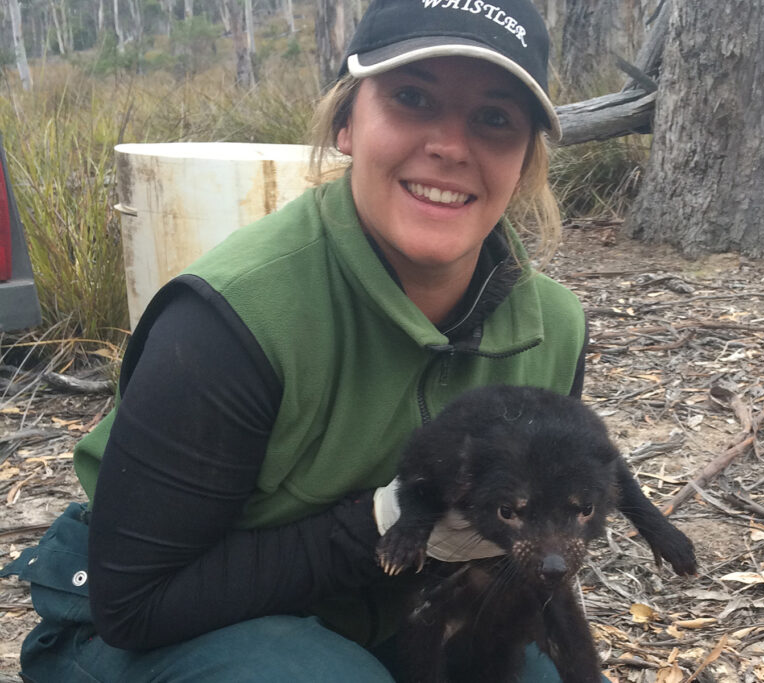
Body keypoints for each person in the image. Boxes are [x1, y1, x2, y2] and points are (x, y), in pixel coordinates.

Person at [0, 0, 592, 680]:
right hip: (148, 631)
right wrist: (383, 521)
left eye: (494, 118)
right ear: (345, 122)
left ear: (526, 158)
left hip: (383, 615)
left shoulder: (551, 329)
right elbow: (133, 602)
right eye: (413, 97)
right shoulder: (234, 318)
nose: (451, 146)